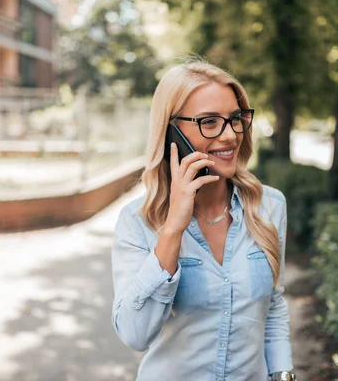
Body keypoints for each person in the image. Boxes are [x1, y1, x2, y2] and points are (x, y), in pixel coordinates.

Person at [111, 61, 295, 381]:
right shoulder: (137, 222)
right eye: (209, 122)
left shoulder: (269, 206)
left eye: (235, 119)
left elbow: (273, 304)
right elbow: (134, 334)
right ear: (172, 132)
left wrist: (283, 374)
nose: (229, 136)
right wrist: (172, 230)